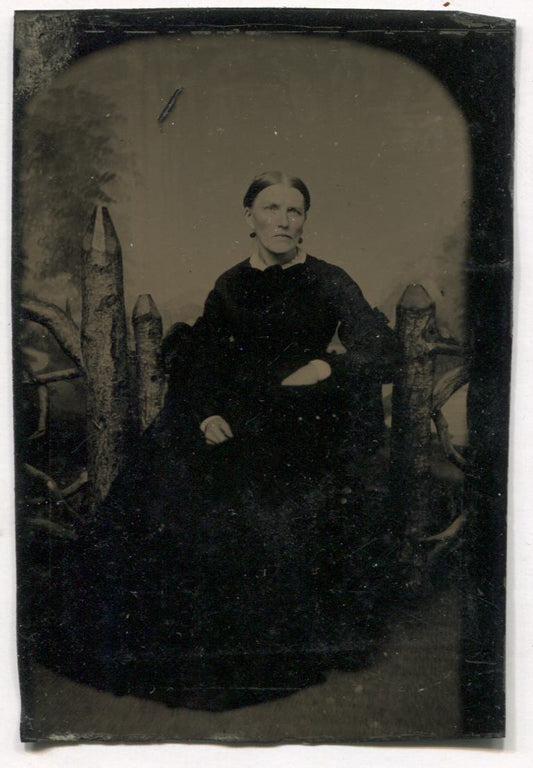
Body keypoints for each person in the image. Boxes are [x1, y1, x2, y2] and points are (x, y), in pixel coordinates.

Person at [41, 172, 400, 711]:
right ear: (248, 217)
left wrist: (325, 365)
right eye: (271, 208)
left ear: (305, 221)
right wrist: (207, 413)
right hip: (232, 411)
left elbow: (381, 349)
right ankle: (154, 641)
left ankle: (249, 650)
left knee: (249, 496)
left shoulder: (329, 280)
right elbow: (206, 360)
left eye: (295, 211)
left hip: (298, 418)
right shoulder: (230, 283)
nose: (283, 220)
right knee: (167, 468)